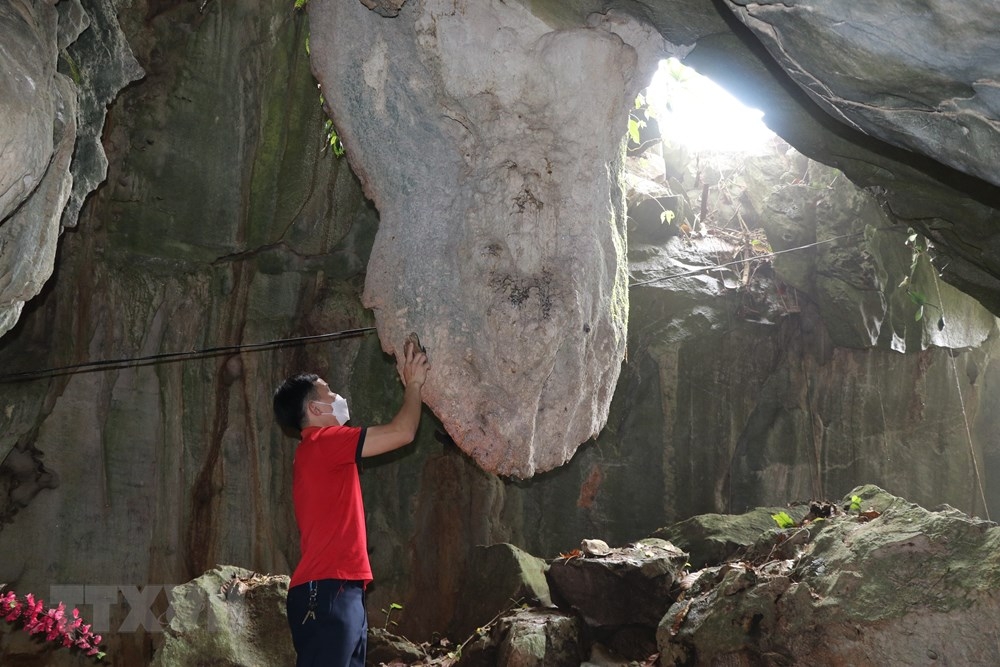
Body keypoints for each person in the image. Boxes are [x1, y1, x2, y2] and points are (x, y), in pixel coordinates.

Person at [272, 337, 429, 666]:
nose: (338, 396)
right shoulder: (322, 442)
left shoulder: (319, 450)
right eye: (329, 391)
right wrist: (414, 385)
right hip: (327, 589)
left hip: (341, 589)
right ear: (315, 409)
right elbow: (402, 432)